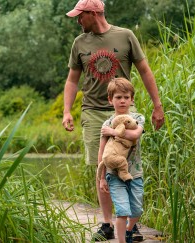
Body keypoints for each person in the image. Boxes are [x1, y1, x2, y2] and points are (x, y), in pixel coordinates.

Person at [62, 0, 165, 241]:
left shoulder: (126, 36)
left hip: (125, 114)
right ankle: (107, 223)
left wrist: (157, 106)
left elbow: (145, 71)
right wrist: (67, 111)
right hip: (93, 112)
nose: (78, 20)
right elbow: (72, 80)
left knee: (128, 166)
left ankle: (131, 225)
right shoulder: (79, 43)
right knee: (103, 166)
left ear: (93, 13)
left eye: (80, 16)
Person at [98, 78, 145, 243]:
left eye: (126, 97)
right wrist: (102, 178)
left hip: (135, 173)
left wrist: (113, 132)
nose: (123, 100)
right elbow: (102, 152)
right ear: (111, 100)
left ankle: (128, 229)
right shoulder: (107, 123)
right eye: (118, 97)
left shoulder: (138, 118)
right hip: (114, 174)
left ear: (132, 99)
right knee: (122, 210)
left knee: (137, 210)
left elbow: (134, 135)